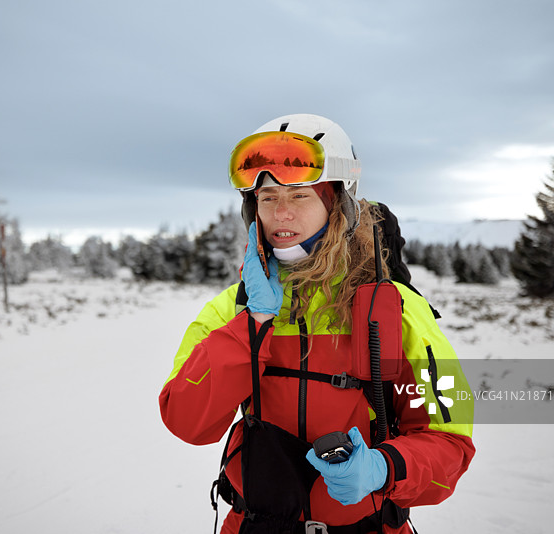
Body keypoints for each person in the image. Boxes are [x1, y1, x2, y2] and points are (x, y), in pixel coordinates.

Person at [159, 114, 474, 534]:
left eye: (300, 196)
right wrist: (254, 324)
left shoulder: (396, 309)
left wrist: (383, 467)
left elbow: (451, 443)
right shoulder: (230, 310)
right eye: (268, 198)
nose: (280, 214)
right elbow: (186, 420)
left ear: (337, 204)